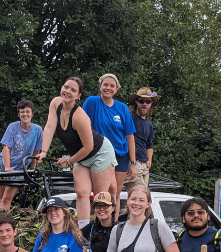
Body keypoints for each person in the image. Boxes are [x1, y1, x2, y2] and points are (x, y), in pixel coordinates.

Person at [37, 77, 116, 224]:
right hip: (80, 157)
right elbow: (49, 127)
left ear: (78, 95)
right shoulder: (55, 103)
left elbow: (88, 147)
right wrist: (44, 151)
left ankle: (104, 231)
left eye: (73, 90)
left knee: (100, 198)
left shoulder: (80, 116)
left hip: (100, 152)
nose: (68, 91)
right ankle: (83, 231)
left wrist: (68, 161)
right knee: (81, 193)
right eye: (66, 87)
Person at [82, 74, 137, 218]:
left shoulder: (122, 108)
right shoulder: (92, 102)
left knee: (116, 193)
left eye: (112, 86)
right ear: (100, 86)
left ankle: (113, 224)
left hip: (121, 155)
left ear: (116, 89)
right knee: (104, 192)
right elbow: (84, 127)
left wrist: (133, 163)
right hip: (100, 154)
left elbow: (130, 136)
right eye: (105, 84)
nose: (108, 88)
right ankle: (96, 223)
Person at [0, 99, 44, 210]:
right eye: (22, 112)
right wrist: (7, 167)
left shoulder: (37, 130)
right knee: (1, 197)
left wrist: (32, 169)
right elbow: (6, 148)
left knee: (6, 199)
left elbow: (35, 152)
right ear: (18, 114)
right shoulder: (13, 127)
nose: (25, 114)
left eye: (27, 111)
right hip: (3, 163)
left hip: (19, 168)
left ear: (32, 114)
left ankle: (3, 221)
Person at [127, 88, 158, 190]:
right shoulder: (129, 118)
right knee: (139, 196)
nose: (144, 104)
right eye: (141, 101)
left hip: (144, 166)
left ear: (151, 104)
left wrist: (149, 160)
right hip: (132, 163)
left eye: (148, 101)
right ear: (136, 102)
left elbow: (149, 145)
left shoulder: (149, 125)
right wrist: (132, 163)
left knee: (142, 199)